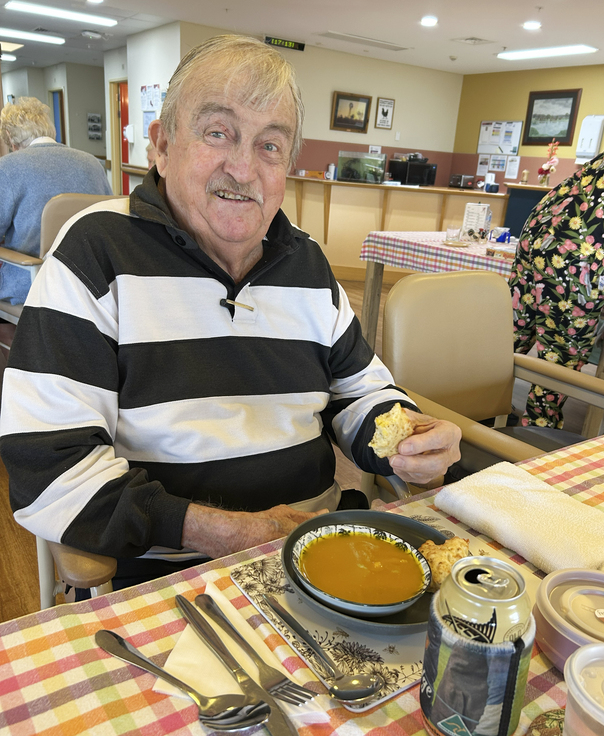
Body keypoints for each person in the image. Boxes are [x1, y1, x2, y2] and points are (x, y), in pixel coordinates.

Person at [0, 35, 461, 592]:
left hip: (325, 551)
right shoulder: (95, 253)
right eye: (218, 133)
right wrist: (222, 530)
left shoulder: (307, 261)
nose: (243, 169)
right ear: (162, 145)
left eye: (270, 146)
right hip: (174, 573)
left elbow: (361, 392)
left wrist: (407, 438)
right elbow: (48, 471)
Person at [509, 136, 604, 428]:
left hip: (541, 228)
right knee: (562, 352)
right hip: (577, 251)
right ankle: (538, 429)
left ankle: (475, 404)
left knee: (513, 332)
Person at [0, 97, 112, 305]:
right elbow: (108, 222)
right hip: (91, 284)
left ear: (9, 136)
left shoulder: (7, 167)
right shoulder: (93, 163)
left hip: (32, 285)